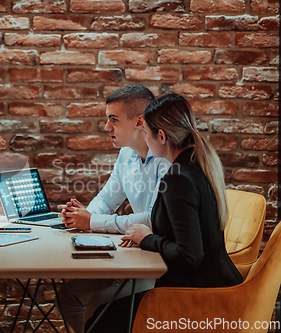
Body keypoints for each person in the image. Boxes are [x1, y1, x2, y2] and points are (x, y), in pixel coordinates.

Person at [87, 93, 243, 332]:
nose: (145, 141)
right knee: (101, 312)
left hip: (199, 296)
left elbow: (190, 256)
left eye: (147, 133)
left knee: (97, 322)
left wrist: (147, 238)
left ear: (161, 136)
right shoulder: (194, 165)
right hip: (211, 286)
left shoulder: (177, 179)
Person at [55, 85, 170, 333]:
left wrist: (92, 223)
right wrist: (82, 216)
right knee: (69, 295)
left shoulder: (167, 158)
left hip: (159, 263)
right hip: (133, 256)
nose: (107, 127)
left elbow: (153, 220)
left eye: (114, 119)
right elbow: (107, 199)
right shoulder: (127, 154)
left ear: (139, 121)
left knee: (97, 302)